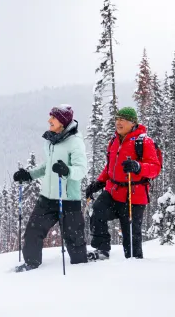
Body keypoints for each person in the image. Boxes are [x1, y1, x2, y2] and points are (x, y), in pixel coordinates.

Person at [13, 104, 88, 272]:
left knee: (74, 240)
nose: (49, 120)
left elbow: (82, 169)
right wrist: (29, 175)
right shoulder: (52, 141)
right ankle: (31, 265)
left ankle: (82, 273)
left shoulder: (75, 143)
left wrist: (67, 171)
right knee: (33, 231)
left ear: (62, 121)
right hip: (47, 198)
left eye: (53, 118)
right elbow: (48, 165)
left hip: (68, 199)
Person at [85, 107, 161, 260]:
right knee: (98, 210)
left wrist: (138, 167)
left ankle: (134, 263)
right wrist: (99, 182)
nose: (118, 123)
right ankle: (102, 250)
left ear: (132, 123)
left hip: (134, 196)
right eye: (117, 119)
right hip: (113, 192)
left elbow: (155, 168)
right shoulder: (114, 140)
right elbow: (110, 166)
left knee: (131, 235)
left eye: (122, 119)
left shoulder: (144, 141)